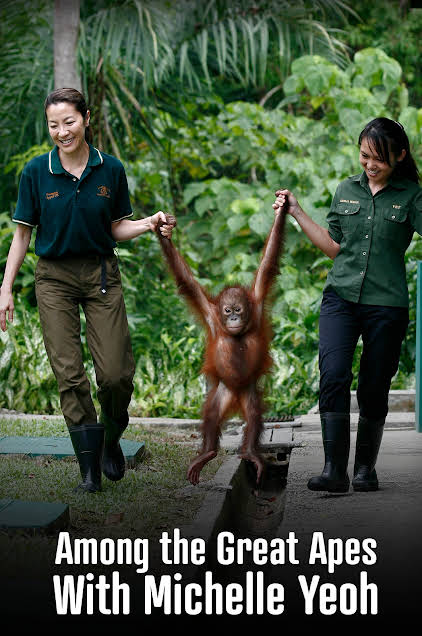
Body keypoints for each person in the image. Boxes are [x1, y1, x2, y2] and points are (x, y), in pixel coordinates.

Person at [0, 87, 175, 494]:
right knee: (69, 373)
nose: (62, 132)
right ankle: (89, 469)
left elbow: (116, 227)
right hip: (54, 278)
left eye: (69, 122)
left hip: (100, 274)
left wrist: (148, 223)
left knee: (116, 375)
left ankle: (111, 436)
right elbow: (22, 235)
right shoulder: (36, 172)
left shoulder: (109, 169)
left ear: (86, 119)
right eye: (53, 125)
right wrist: (5, 288)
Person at [273, 117, 422, 493]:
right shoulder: (345, 190)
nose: (370, 164)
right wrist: (296, 211)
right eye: (364, 155)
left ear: (400, 156)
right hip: (340, 298)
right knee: (333, 374)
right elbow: (333, 247)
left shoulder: (411, 196)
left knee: (374, 386)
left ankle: (365, 470)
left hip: (386, 305)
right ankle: (334, 471)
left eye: (379, 158)